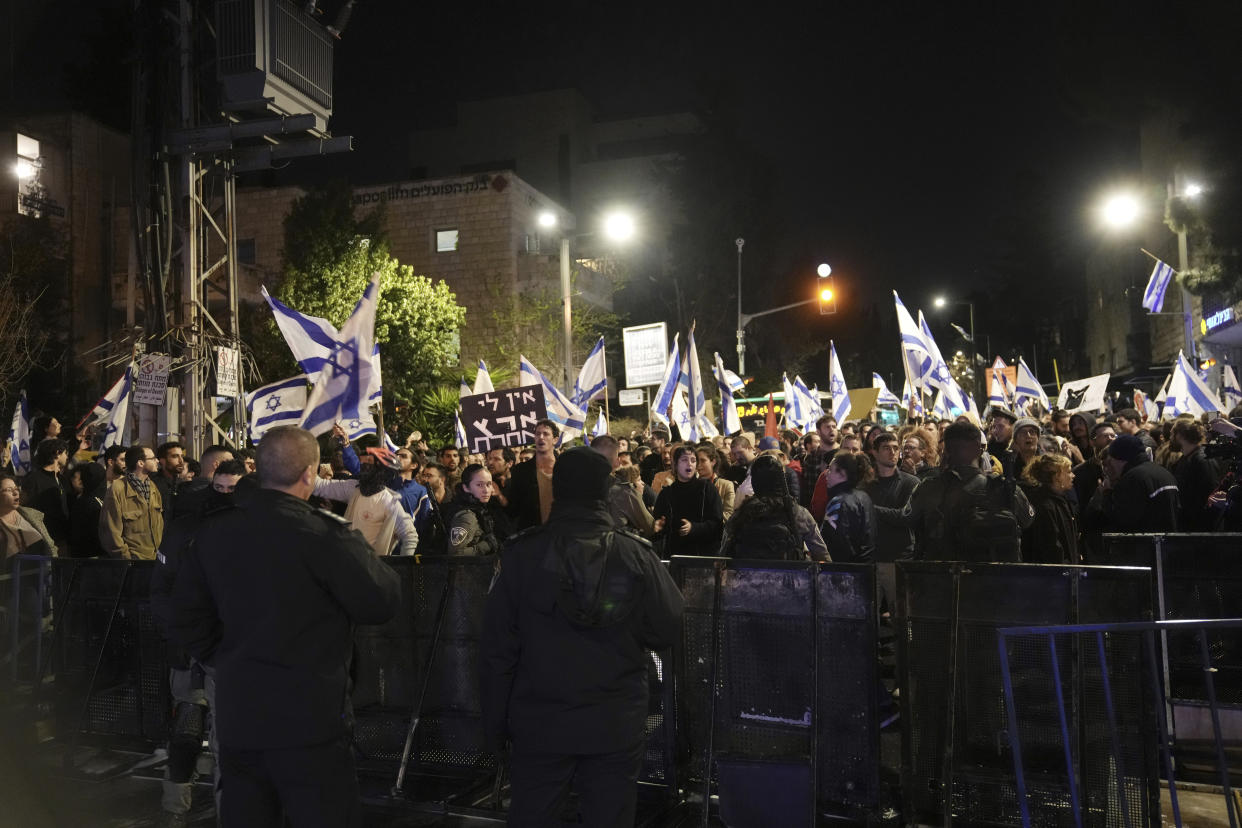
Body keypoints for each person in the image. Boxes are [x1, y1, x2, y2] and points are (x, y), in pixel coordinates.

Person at [167, 426, 401, 828]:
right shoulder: (325, 534)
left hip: (243, 714)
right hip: (312, 719)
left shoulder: (216, 535)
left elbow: (185, 615)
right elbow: (382, 600)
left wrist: (226, 658)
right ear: (309, 474)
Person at [481, 447, 683, 827]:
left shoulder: (522, 556)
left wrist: (495, 727)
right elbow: (668, 628)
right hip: (613, 720)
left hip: (540, 722)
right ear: (604, 492)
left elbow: (496, 651)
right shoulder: (634, 555)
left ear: (558, 490)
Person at [903, 421, 1035, 562]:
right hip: (995, 577)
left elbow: (908, 521)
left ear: (945, 451)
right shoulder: (1002, 486)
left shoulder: (928, 488)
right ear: (979, 449)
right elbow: (1028, 520)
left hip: (944, 576)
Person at [719, 454, 827, 561]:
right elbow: (821, 554)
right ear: (781, 480)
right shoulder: (797, 513)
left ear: (754, 482)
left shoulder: (742, 513)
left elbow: (724, 552)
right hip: (788, 576)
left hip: (747, 576)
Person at [312, 449, 418, 556]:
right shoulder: (353, 488)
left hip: (370, 568)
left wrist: (401, 566)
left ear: (381, 469)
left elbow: (410, 535)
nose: (364, 466)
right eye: (363, 462)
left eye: (369, 463)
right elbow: (319, 486)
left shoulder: (389, 503)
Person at [1086, 433, 1179, 539]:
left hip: (1146, 546)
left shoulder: (1132, 478)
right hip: (1168, 543)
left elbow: (1123, 519)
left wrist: (1106, 494)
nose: (1110, 467)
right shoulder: (1164, 473)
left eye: (1111, 461)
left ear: (1121, 459)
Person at [864, 432, 918, 612]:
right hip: (870, 559)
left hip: (897, 559)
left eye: (896, 448)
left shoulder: (910, 483)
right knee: (868, 615)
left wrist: (872, 509)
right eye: (886, 448)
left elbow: (906, 517)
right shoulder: (866, 483)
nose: (892, 452)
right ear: (875, 452)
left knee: (901, 615)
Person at [652, 445, 724, 558]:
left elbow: (717, 523)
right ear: (675, 464)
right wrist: (658, 526)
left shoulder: (707, 489)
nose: (689, 464)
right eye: (684, 460)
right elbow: (660, 523)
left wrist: (694, 528)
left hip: (702, 555)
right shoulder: (667, 493)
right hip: (674, 555)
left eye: (693, 460)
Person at [101, 444, 164, 560]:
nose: (157, 461)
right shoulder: (118, 489)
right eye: (153, 458)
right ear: (140, 463)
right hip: (133, 564)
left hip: (154, 560)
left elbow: (159, 526)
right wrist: (127, 558)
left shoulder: (152, 488)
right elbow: (111, 532)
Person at [1019, 454, 1080, 564]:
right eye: (1068, 472)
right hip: (1055, 576)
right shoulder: (1045, 506)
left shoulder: (1061, 501)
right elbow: (1051, 547)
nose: (1073, 475)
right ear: (1057, 476)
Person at [590, 435, 655, 537]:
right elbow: (650, 528)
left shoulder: (574, 486)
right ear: (617, 462)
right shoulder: (626, 492)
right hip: (615, 549)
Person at [820, 452, 877, 563]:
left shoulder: (838, 503)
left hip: (847, 572)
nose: (827, 473)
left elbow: (837, 543)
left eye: (831, 469)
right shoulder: (864, 496)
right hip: (866, 567)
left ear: (842, 474)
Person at [505, 419, 560, 530]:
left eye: (546, 434)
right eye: (537, 434)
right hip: (532, 534)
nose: (541, 437)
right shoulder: (520, 471)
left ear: (555, 440)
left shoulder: (566, 467)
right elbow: (513, 510)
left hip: (562, 533)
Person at [445, 463, 508, 556]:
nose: (486, 490)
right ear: (466, 488)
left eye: (489, 484)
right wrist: (487, 544)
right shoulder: (467, 516)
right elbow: (455, 553)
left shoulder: (484, 508)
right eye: (479, 485)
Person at [1170, 419, 1221, 531]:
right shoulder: (1187, 457)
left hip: (1199, 525)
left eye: (1172, 433)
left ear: (1180, 435)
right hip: (1189, 522)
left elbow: (1211, 492)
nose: (1170, 437)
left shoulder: (1203, 460)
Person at [21, 437, 70, 551]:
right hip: (41, 542)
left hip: (61, 540)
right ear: (57, 453)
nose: (67, 457)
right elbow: (24, 509)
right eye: (66, 453)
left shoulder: (63, 480)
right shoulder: (33, 479)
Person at [0, 471, 57, 558]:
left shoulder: (32, 514)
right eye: (9, 490)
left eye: (16, 489)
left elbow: (51, 546)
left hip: (45, 570)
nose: (15, 493)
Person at [696, 444, 736, 521]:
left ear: (713, 461)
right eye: (696, 461)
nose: (698, 465)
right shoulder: (692, 484)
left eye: (703, 461)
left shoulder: (726, 485)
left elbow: (729, 514)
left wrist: (706, 522)